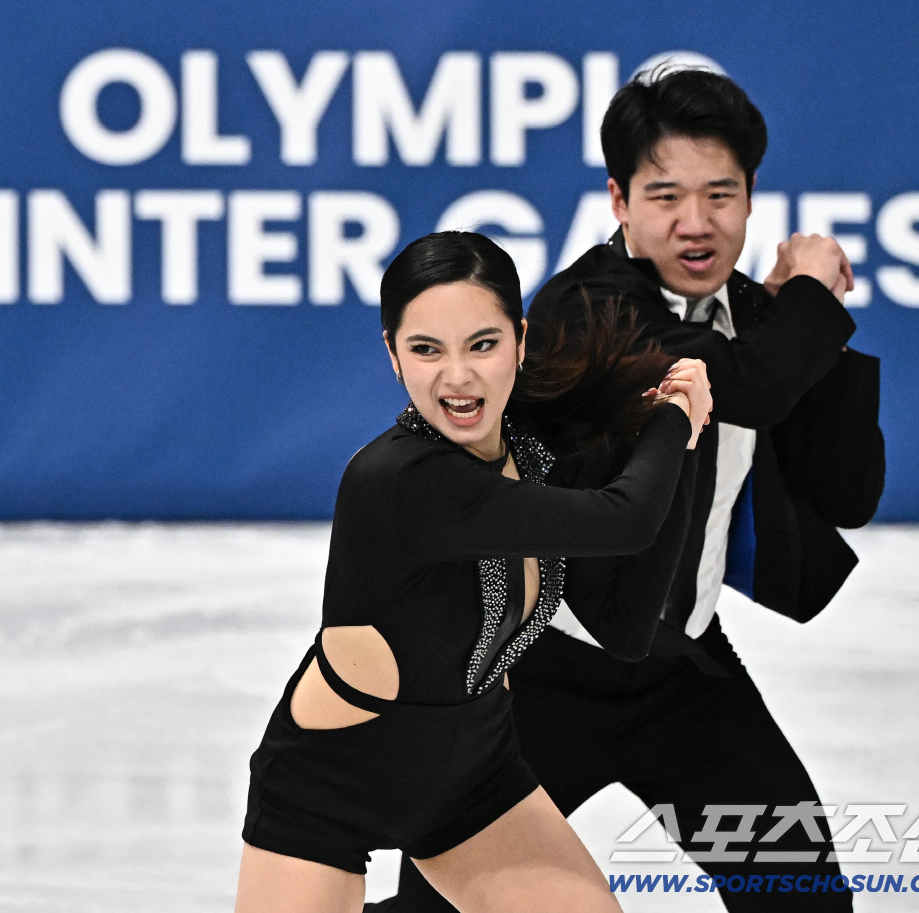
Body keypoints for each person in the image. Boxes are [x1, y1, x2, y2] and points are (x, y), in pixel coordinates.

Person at [377, 70, 885, 912]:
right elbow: (743, 387)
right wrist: (811, 295)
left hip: (681, 670)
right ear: (618, 199)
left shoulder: (766, 323)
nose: (696, 222)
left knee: (804, 896)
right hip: (535, 675)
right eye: (665, 194)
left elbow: (848, 492)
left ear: (752, 197)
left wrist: (811, 334)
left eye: (721, 193)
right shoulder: (588, 309)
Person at [236, 230, 712, 912]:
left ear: (520, 339)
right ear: (393, 356)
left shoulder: (530, 449)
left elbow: (626, 626)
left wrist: (684, 442)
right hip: (330, 787)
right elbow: (626, 519)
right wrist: (672, 419)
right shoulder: (400, 480)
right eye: (426, 349)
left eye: (482, 344)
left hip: (474, 777)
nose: (456, 377)